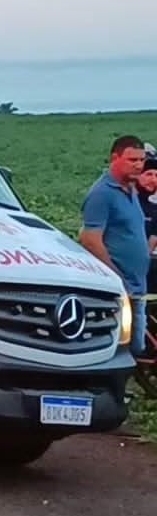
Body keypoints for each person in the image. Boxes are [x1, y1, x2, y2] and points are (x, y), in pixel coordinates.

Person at [80, 135, 152, 357]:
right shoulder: (102, 194)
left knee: (136, 347)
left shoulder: (130, 189)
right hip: (119, 287)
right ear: (115, 158)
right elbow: (90, 239)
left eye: (141, 160)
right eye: (132, 160)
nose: (139, 165)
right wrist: (115, 275)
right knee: (122, 348)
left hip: (137, 285)